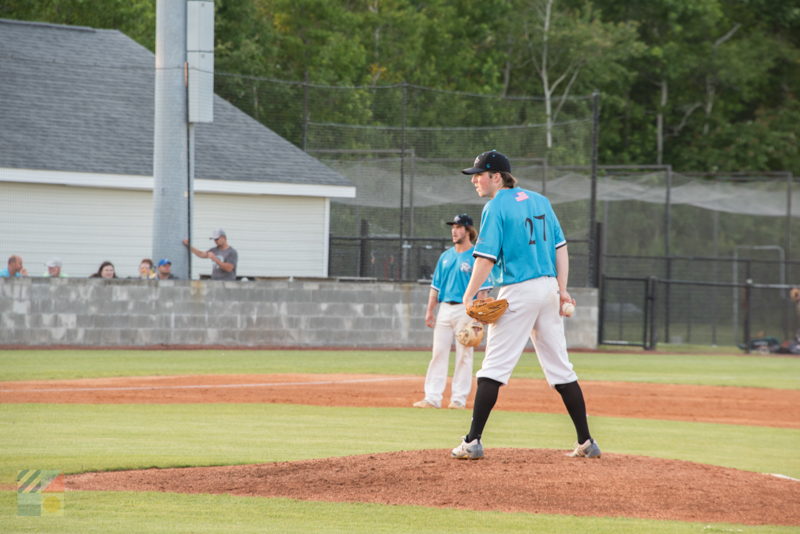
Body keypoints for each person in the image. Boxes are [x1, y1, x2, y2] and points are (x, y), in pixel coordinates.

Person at [450, 150, 600, 460]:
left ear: (497, 176)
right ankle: (586, 441)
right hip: (546, 287)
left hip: (519, 289)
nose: (474, 180)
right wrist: (561, 289)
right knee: (561, 368)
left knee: (493, 367)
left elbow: (487, 257)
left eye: (479, 174)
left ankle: (472, 441)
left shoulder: (495, 207)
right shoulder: (540, 201)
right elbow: (561, 248)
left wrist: (469, 295)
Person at [413, 214, 492, 409]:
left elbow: (483, 290)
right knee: (438, 353)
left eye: (458, 227)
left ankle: (458, 399)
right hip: (445, 310)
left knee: (464, 354)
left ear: (468, 231)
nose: (454, 230)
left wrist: (479, 318)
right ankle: (432, 397)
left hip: (466, 311)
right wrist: (430, 311)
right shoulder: (445, 256)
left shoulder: (476, 256)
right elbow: (435, 287)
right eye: (453, 227)